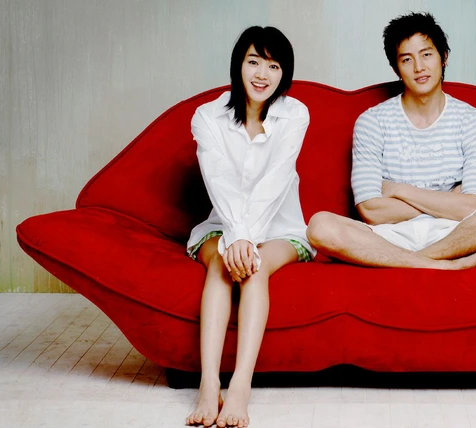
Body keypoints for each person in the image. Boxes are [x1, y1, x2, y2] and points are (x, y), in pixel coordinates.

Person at [307, 12, 476, 269]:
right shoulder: (372, 122)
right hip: (388, 237)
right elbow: (371, 212)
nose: (419, 67)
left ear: (443, 57)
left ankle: (421, 260)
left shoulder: (472, 121)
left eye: (426, 54)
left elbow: (471, 208)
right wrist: (448, 198)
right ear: (396, 68)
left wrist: (397, 190)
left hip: (459, 234)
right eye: (407, 59)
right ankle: (445, 265)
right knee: (320, 226)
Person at [185, 26, 314, 428]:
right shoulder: (207, 117)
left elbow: (277, 179)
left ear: (284, 73)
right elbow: (218, 179)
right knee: (221, 263)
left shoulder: (295, 114)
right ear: (238, 65)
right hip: (222, 224)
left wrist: (248, 239)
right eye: (254, 62)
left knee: (253, 267)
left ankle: (240, 387)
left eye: (273, 66)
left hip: (282, 228)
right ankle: (209, 384)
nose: (262, 74)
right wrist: (237, 235)